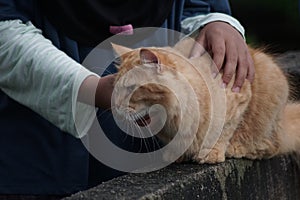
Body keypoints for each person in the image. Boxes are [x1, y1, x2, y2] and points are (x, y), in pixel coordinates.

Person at [0, 0, 254, 198]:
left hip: (159, 156)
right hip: (38, 154)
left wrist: (218, 22)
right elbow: (5, 28)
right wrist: (93, 90)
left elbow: (198, 7)